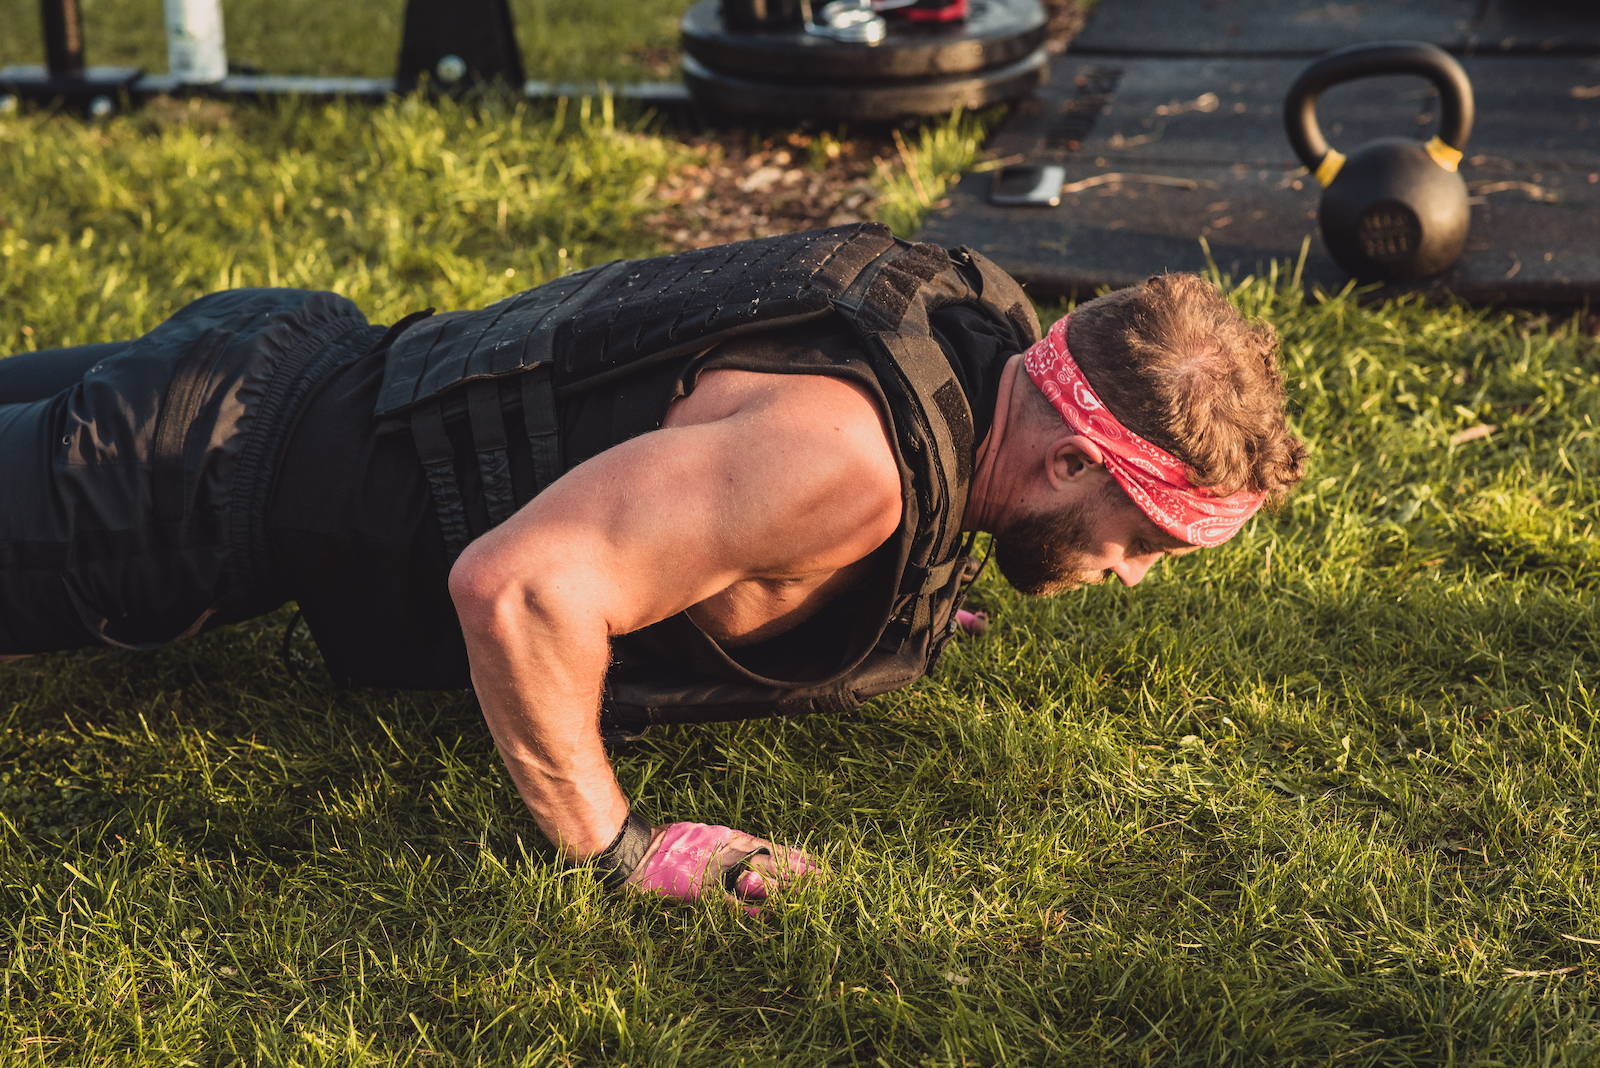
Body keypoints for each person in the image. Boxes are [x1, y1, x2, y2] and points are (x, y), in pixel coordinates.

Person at [0, 223, 1306, 909]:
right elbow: (519, 588)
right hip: (175, 493)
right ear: (1070, 458)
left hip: (283, 357)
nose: (1133, 575)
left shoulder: (971, 322)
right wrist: (616, 848)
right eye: (1145, 539)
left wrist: (901, 595)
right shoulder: (848, 473)